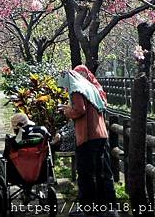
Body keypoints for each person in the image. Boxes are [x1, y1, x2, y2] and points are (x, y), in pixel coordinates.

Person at [58, 65, 116, 216]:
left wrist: (67, 111)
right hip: (101, 134)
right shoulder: (92, 87)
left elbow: (79, 110)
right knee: (100, 172)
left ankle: (87, 208)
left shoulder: (77, 88)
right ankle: (104, 207)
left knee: (85, 173)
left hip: (88, 136)